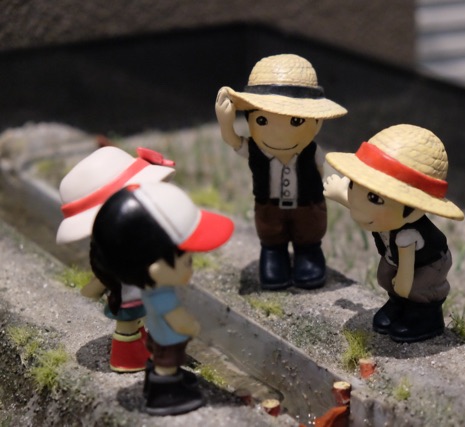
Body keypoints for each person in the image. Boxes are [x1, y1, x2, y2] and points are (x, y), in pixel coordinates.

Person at [90, 182, 233, 415]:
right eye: (187, 261)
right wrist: (193, 327)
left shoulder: (149, 289)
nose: (191, 267)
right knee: (166, 364)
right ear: (156, 270)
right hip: (168, 340)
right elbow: (181, 321)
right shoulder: (163, 296)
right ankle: (165, 393)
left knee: (161, 361)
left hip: (157, 336)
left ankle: (160, 379)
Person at [215, 53, 347, 290]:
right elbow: (234, 141)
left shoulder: (312, 152)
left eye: (296, 121)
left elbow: (324, 171)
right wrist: (226, 123)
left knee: (308, 234)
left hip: (308, 205)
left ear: (317, 123)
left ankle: (308, 255)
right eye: (262, 120)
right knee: (270, 235)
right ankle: (274, 256)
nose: (278, 134)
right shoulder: (254, 151)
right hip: (268, 206)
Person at [323, 124, 464, 343]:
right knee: (384, 277)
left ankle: (425, 316)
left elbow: (406, 274)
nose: (358, 208)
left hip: (429, 263)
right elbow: (365, 206)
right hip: (393, 254)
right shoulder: (384, 215)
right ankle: (397, 304)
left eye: (375, 198)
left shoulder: (407, 236)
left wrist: (403, 288)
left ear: (414, 208)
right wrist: (341, 194)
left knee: (416, 288)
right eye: (353, 185)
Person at [56, 146, 175, 372]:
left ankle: (140, 349)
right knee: (127, 327)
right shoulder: (116, 252)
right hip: (129, 297)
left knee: (137, 324)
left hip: (137, 292)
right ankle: (127, 359)